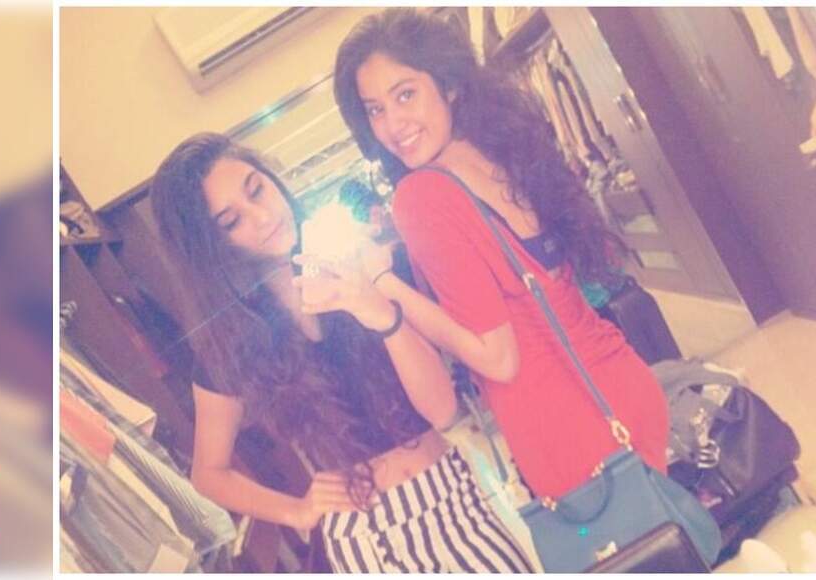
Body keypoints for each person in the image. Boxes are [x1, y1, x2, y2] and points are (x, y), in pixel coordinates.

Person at [149, 132, 533, 573]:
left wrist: (377, 310)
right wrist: (296, 511)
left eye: (256, 189)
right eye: (232, 222)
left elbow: (443, 410)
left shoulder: (362, 266)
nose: (263, 217)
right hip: (366, 541)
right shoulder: (235, 344)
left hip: (457, 502)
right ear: (213, 250)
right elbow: (208, 474)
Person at [334, 8, 670, 503]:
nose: (392, 124)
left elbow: (498, 358)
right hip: (623, 384)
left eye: (405, 94)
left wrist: (384, 284)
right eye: (375, 110)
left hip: (568, 431)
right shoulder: (500, 154)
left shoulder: (421, 196)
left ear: (448, 85)